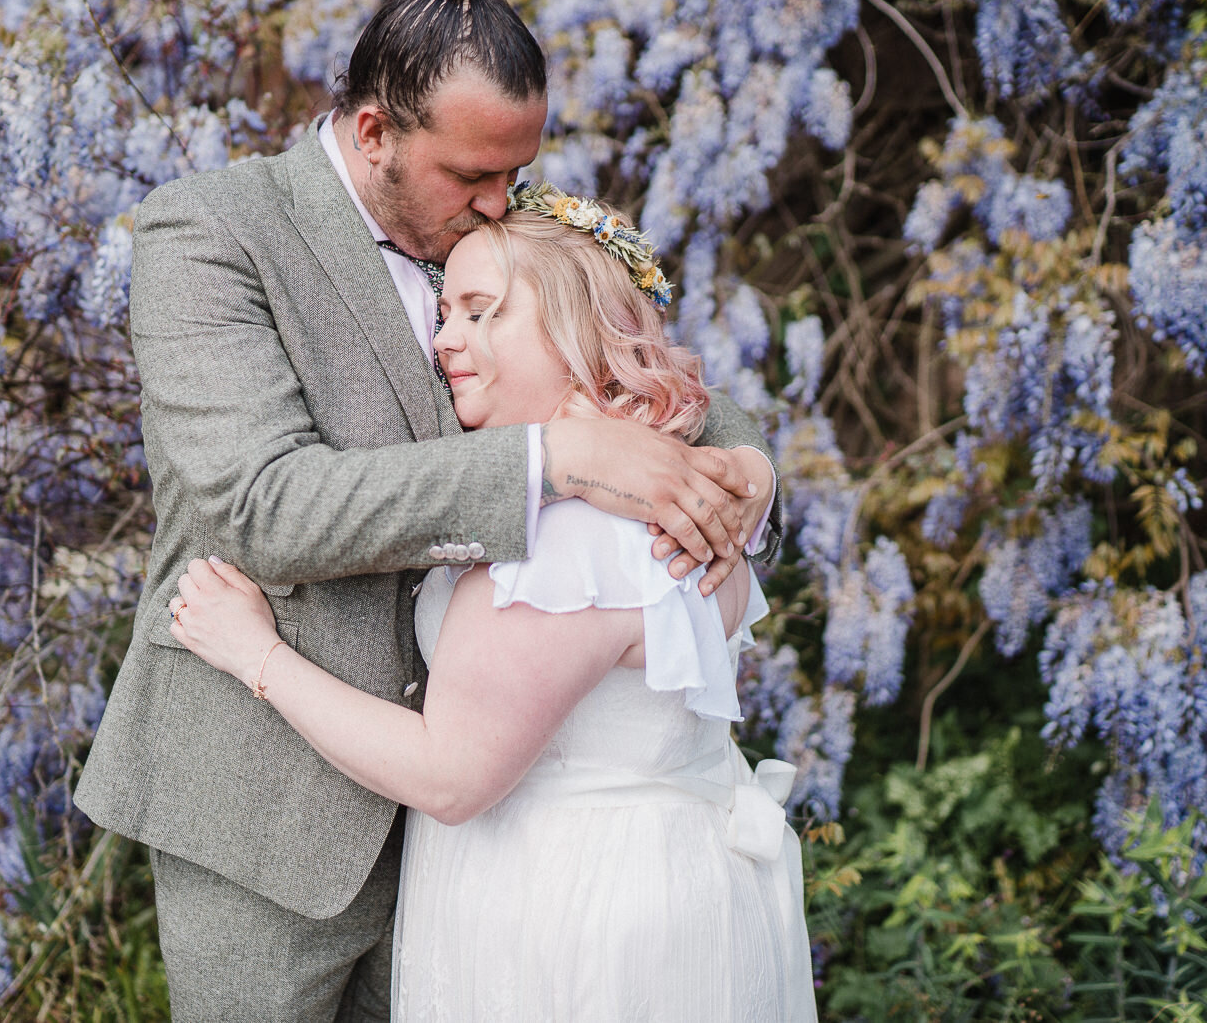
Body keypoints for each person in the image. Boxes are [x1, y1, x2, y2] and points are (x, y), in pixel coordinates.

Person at [72, 0, 786, 1020]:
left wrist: (747, 467)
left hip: (483, 822)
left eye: (516, 171)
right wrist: (562, 457)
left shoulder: (496, 212)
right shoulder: (212, 233)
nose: (500, 200)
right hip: (268, 807)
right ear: (373, 133)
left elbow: (628, 353)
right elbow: (265, 503)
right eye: (470, 176)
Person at [166, 185, 816, 1022]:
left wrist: (258, 655)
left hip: (564, 907)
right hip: (674, 880)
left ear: (584, 331)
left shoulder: (569, 543)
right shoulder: (688, 493)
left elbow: (450, 774)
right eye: (445, 313)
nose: (445, 341)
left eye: (482, 313)